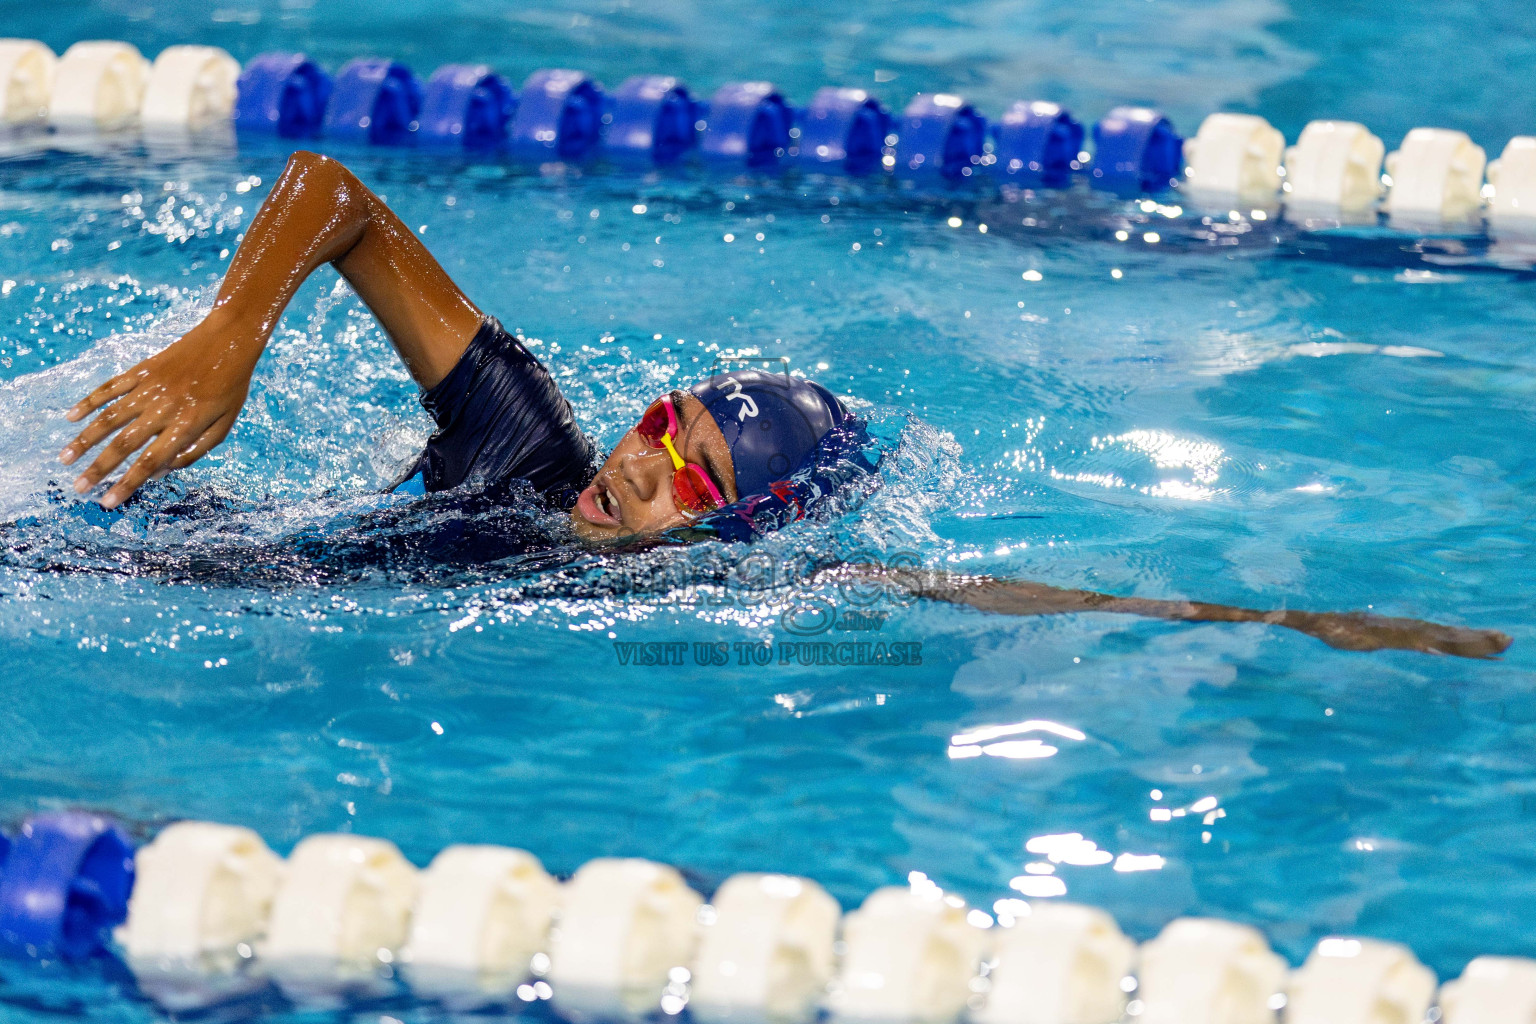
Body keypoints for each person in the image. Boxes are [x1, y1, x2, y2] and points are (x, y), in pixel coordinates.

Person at [55, 151, 1510, 659]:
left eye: (687, 475)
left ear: (733, 536)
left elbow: (979, 591)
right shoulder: (522, 445)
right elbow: (337, 198)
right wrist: (227, 343)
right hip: (109, 531)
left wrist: (1267, 623)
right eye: (659, 427)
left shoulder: (700, 598)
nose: (636, 466)